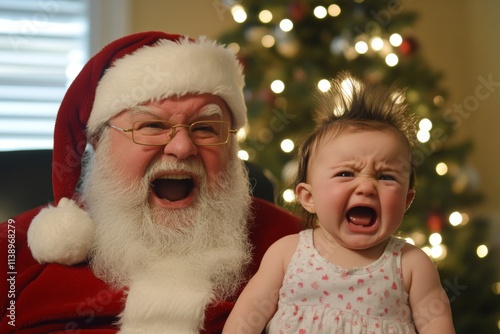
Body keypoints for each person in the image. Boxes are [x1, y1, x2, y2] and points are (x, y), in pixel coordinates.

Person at [0, 31, 300, 333]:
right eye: (153, 125)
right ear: (99, 141)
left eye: (206, 128)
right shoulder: (13, 252)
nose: (182, 148)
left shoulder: (298, 248)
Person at [223, 73, 456, 334]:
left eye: (386, 176)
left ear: (406, 200)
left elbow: (437, 324)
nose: (367, 187)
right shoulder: (288, 254)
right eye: (346, 173)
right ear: (309, 198)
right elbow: (247, 317)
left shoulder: (411, 264)